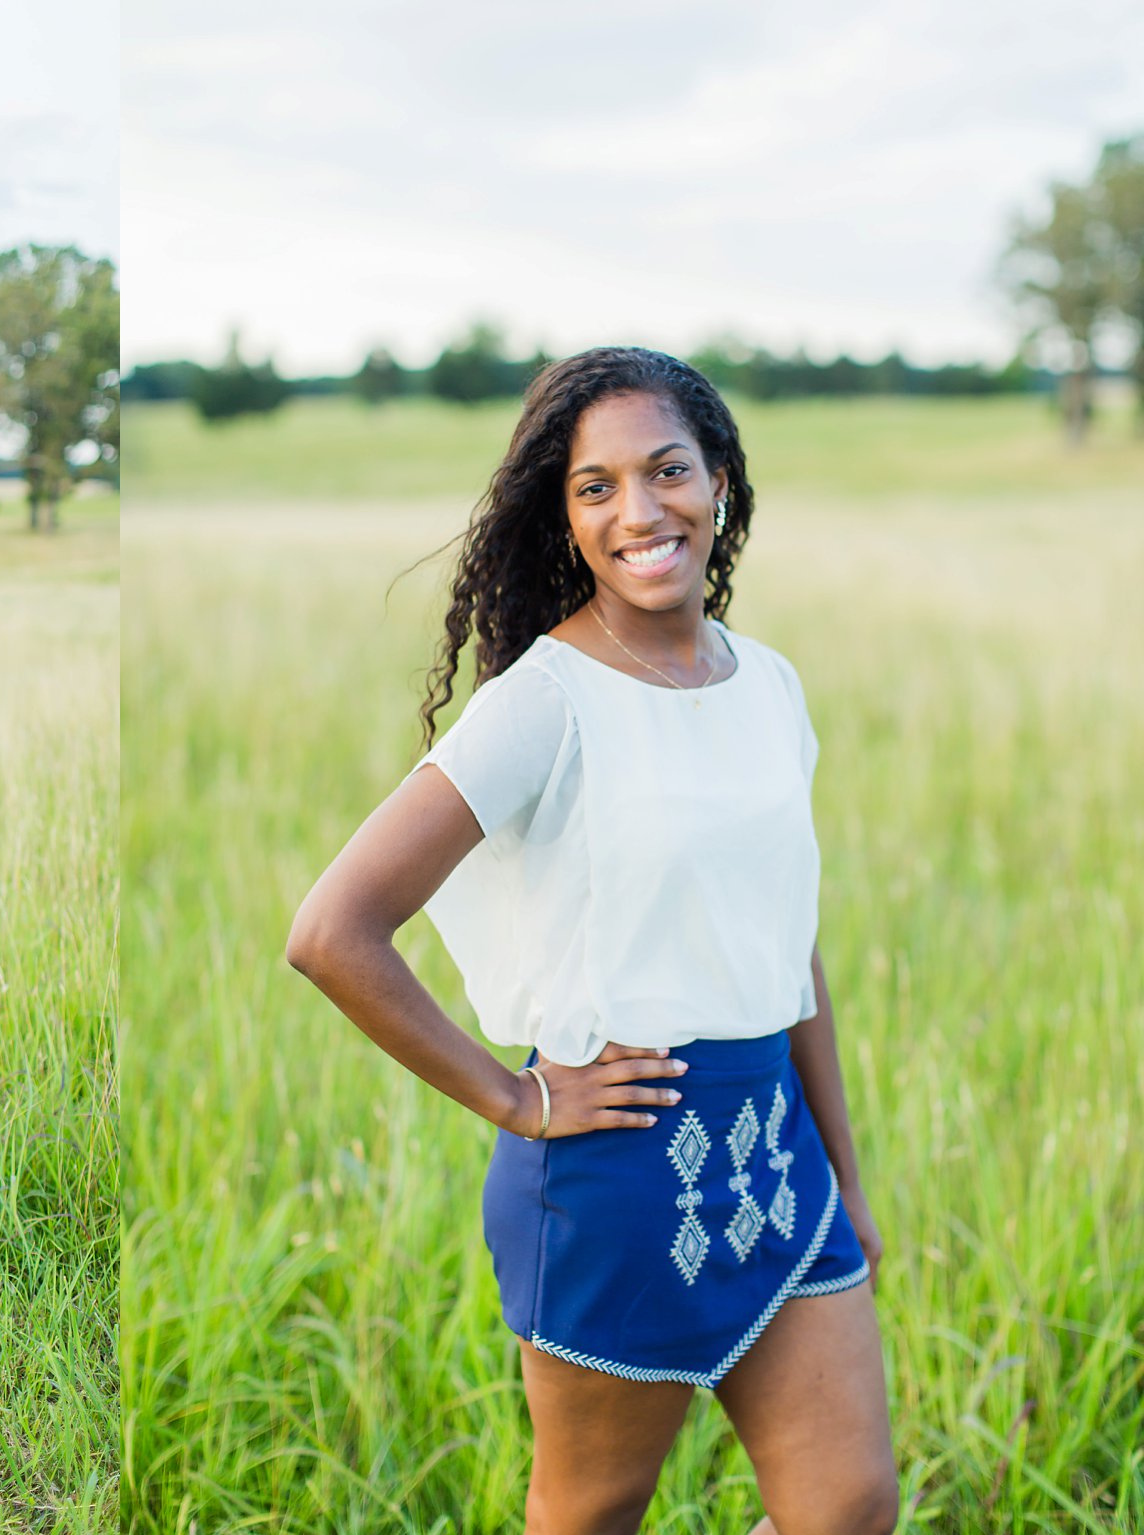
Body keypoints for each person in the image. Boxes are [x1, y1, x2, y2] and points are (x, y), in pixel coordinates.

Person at [285, 348, 897, 1534]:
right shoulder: (542, 701)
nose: (638, 510)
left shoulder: (768, 684)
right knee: (589, 1515)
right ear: (564, 520)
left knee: (847, 1507)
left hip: (778, 1162)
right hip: (615, 1178)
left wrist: (845, 1175)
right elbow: (330, 930)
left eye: (666, 470)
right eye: (595, 487)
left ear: (716, 479)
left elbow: (787, 944)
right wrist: (517, 1099)